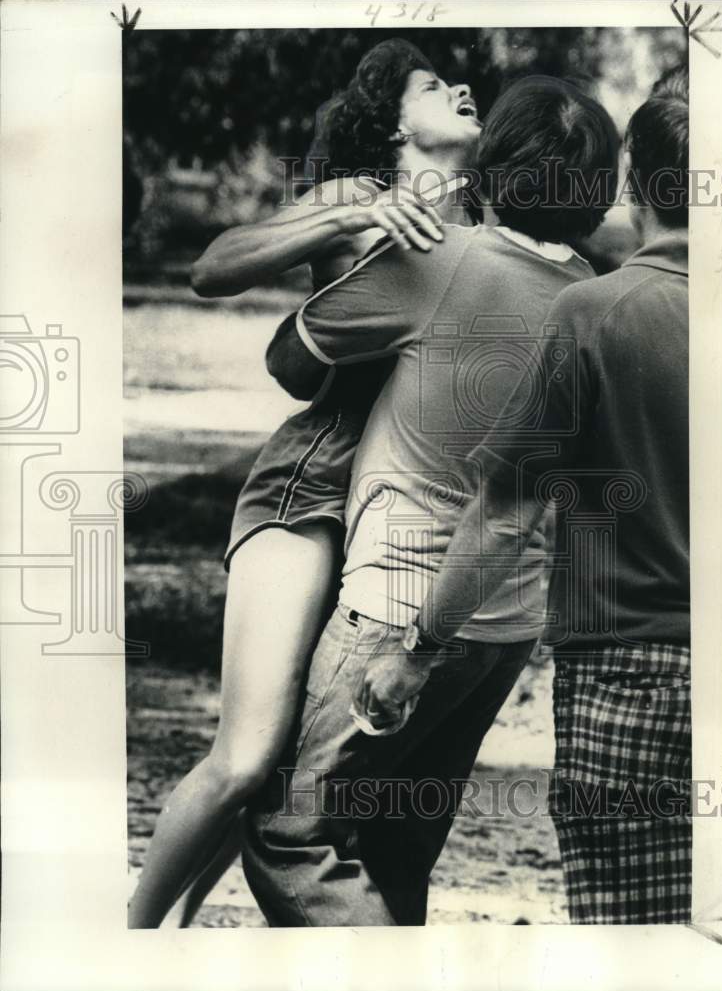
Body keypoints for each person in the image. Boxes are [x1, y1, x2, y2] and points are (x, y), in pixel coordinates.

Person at [241, 75, 619, 926]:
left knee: (288, 837)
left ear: (492, 166)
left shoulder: (438, 260)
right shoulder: (596, 297)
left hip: (395, 608)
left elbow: (290, 361)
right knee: (396, 849)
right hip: (508, 620)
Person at [128, 39, 483, 929]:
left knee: (298, 760)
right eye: (436, 85)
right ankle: (122, 944)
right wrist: (343, 219)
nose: (465, 88)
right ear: (395, 123)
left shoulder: (485, 219)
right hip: (314, 486)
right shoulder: (354, 199)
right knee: (248, 756)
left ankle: (179, 932)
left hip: (406, 510)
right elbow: (213, 270)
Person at [365, 68, 691, 924]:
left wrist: (418, 646)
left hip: (628, 673)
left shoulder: (595, 314)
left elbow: (506, 512)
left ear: (634, 181)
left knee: (632, 938)